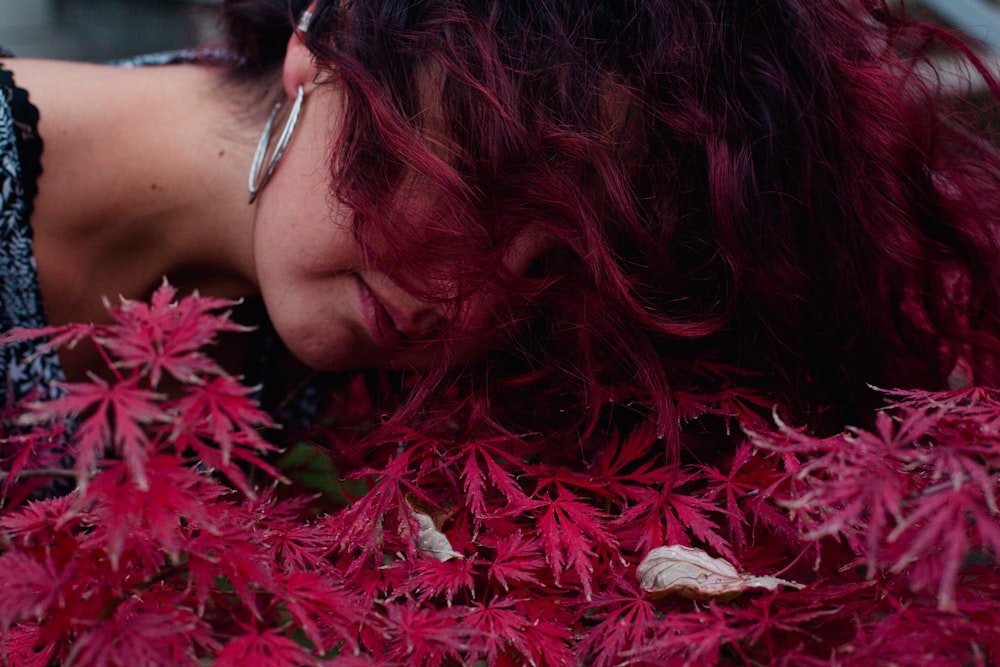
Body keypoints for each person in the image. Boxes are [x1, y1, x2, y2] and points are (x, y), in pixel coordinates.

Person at [1, 0, 1000, 449]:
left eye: (549, 266)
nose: (467, 302)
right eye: (474, 183)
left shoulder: (321, 347)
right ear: (332, 33)